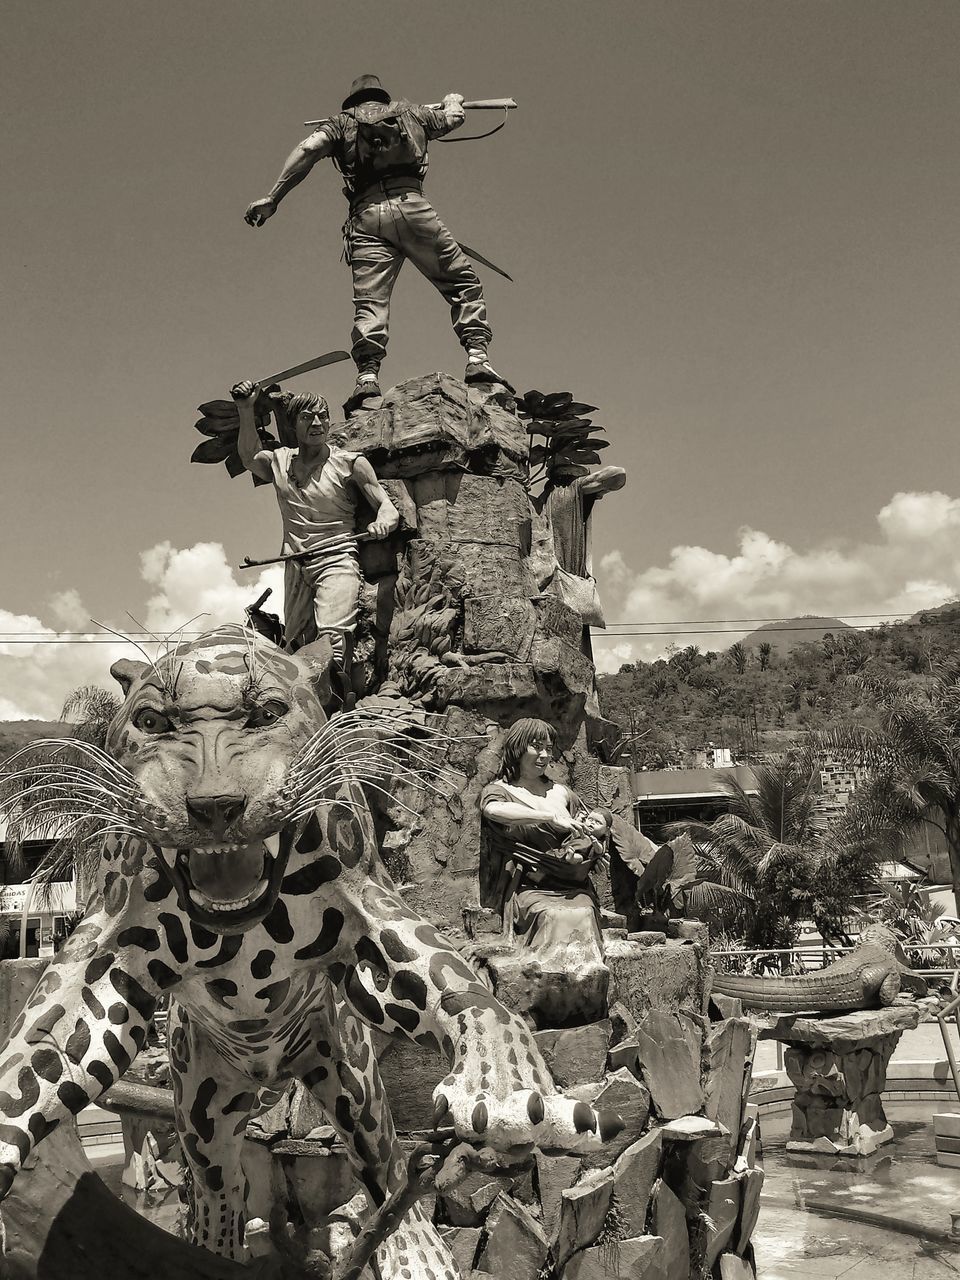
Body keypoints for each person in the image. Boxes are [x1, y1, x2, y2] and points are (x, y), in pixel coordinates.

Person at [243, 74, 510, 409]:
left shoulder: (342, 123)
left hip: (366, 218)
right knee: (462, 283)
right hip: (412, 207)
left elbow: (308, 149)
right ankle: (477, 358)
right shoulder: (410, 113)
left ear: (353, 102)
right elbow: (453, 120)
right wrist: (453, 99)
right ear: (382, 97)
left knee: (371, 303)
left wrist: (273, 197)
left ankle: (367, 377)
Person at [231, 379, 399, 660]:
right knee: (297, 646)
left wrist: (382, 523)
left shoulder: (350, 463)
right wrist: (245, 409)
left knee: (331, 641)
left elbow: (387, 507)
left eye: (323, 417)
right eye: (308, 418)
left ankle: (341, 701)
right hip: (296, 564)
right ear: (294, 424)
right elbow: (249, 457)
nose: (317, 423)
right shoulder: (281, 461)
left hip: (336, 559)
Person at [479, 719, 608, 994]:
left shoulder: (561, 792)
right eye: (536, 747)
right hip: (532, 886)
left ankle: (584, 992)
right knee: (552, 916)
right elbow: (493, 811)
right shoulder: (502, 791)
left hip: (572, 885)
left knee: (583, 913)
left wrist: (590, 845)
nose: (544, 755)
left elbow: (587, 829)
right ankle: (546, 992)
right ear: (516, 747)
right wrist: (549, 816)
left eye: (548, 749)